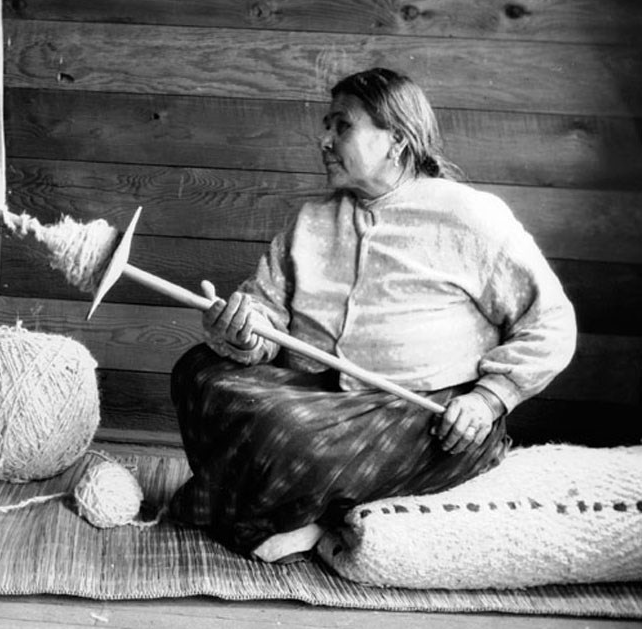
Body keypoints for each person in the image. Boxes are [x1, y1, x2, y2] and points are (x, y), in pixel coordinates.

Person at [168, 67, 577, 563]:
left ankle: (300, 517)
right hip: (319, 398)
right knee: (200, 372)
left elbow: (551, 321)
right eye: (327, 125)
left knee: (288, 434)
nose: (324, 139)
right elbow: (266, 318)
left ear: (397, 141)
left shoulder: (470, 216)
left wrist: (491, 400)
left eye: (342, 126)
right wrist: (240, 332)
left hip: (430, 417)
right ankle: (306, 502)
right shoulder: (312, 219)